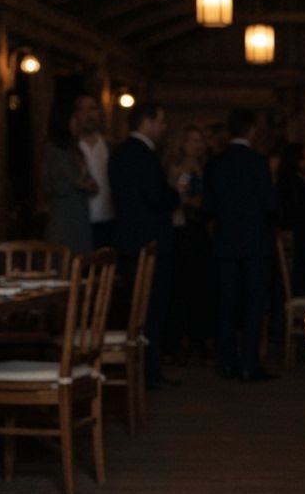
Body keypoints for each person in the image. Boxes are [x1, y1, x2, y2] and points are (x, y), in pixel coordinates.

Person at [203, 108, 278, 382]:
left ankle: (227, 363)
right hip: (255, 244)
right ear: (251, 130)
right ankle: (250, 363)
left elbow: (207, 206)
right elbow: (270, 205)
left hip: (224, 244)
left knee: (227, 304)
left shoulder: (215, 163)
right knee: (254, 305)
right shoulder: (258, 162)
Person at [108, 101, 179, 388]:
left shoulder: (119, 154)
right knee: (150, 311)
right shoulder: (145, 156)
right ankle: (149, 374)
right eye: (161, 121)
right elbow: (157, 198)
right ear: (146, 121)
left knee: (136, 311)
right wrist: (175, 193)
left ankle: (140, 372)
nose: (163, 128)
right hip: (149, 246)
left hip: (127, 242)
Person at [166, 124, 210, 361]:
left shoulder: (204, 166)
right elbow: (178, 200)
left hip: (201, 231)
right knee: (184, 285)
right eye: (192, 140)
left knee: (200, 287)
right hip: (183, 231)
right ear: (182, 144)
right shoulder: (177, 168)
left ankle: (198, 338)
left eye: (200, 140)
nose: (197, 145)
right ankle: (180, 341)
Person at [42, 104, 95, 256]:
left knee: (81, 260)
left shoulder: (76, 149)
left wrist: (89, 184)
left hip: (80, 214)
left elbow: (85, 177)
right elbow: (48, 183)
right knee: (62, 259)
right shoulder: (53, 149)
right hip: (63, 216)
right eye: (74, 119)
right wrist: (76, 184)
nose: (77, 123)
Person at [276, 142, 305, 297]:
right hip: (301, 234)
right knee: (304, 269)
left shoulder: (290, 178)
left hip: (300, 232)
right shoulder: (295, 180)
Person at [72, 93, 115, 248]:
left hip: (108, 219)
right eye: (83, 110)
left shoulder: (109, 145)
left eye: (92, 109)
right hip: (80, 223)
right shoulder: (71, 147)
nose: (88, 115)